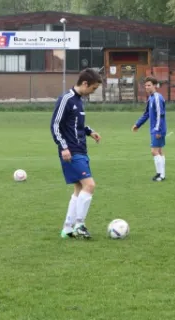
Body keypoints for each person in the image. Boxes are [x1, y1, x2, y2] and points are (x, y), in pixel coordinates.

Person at [51, 68, 103, 239]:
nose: (93, 92)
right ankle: (80, 224)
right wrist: (63, 147)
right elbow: (55, 125)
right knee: (90, 185)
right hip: (71, 151)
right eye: (93, 88)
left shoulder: (79, 101)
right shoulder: (66, 99)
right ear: (85, 83)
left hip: (81, 149)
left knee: (79, 189)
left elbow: (76, 125)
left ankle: (67, 228)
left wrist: (89, 131)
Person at [131, 76, 167, 181]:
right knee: (159, 151)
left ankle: (160, 175)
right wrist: (137, 124)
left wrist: (158, 130)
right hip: (155, 128)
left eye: (149, 85)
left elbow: (160, 115)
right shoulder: (151, 98)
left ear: (155, 86)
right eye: (145, 85)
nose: (147, 87)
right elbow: (147, 114)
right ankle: (161, 174)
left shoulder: (157, 98)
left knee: (154, 151)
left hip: (157, 129)